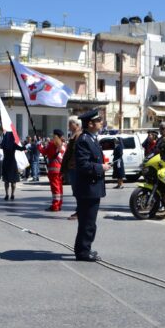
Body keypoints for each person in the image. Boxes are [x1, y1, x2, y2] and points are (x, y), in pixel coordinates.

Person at [74, 109, 110, 262]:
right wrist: (100, 167)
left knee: (88, 222)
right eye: (99, 120)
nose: (101, 122)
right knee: (87, 222)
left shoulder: (91, 138)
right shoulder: (84, 140)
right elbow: (83, 165)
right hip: (88, 188)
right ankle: (83, 252)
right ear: (90, 123)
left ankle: (83, 248)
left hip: (92, 187)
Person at [61, 116, 82, 220]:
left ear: (76, 125)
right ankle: (80, 211)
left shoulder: (78, 135)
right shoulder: (74, 135)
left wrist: (69, 165)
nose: (69, 126)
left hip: (75, 167)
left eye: (70, 123)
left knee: (78, 191)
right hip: (72, 167)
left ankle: (80, 212)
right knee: (77, 191)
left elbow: (74, 153)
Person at [41, 129, 66, 211]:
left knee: (55, 188)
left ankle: (55, 205)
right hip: (61, 168)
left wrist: (39, 146)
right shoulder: (63, 145)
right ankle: (59, 204)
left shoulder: (52, 144)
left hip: (53, 168)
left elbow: (44, 152)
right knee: (59, 187)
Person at [0, 132, 25, 200]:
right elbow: (22, 148)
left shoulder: (3, 144)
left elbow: (0, 145)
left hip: (6, 163)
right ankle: (12, 194)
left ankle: (6, 194)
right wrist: (24, 144)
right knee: (13, 181)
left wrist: (3, 138)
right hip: (12, 163)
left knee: (6, 180)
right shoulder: (13, 144)